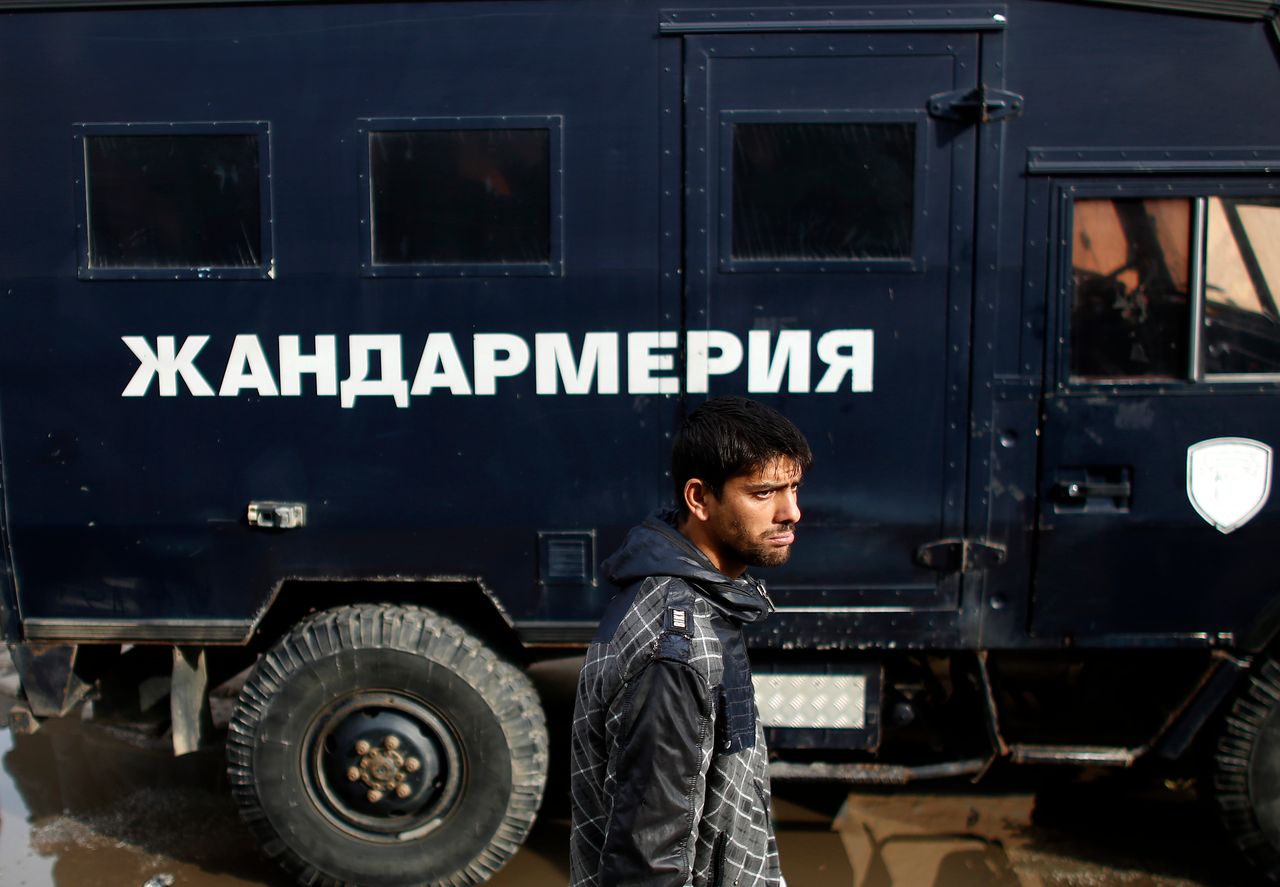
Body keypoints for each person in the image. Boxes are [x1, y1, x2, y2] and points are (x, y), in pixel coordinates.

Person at [570, 396, 811, 887]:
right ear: (699, 499)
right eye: (764, 493)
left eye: (793, 487)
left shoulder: (707, 602)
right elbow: (647, 864)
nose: (792, 512)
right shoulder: (675, 651)